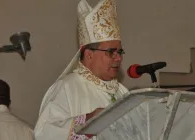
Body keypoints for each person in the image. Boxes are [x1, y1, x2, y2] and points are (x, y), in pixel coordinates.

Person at [34, 0, 129, 139]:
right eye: (111, 52)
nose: (118, 58)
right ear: (89, 55)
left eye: (120, 52)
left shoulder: (122, 92)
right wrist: (87, 120)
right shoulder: (66, 88)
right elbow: (43, 133)